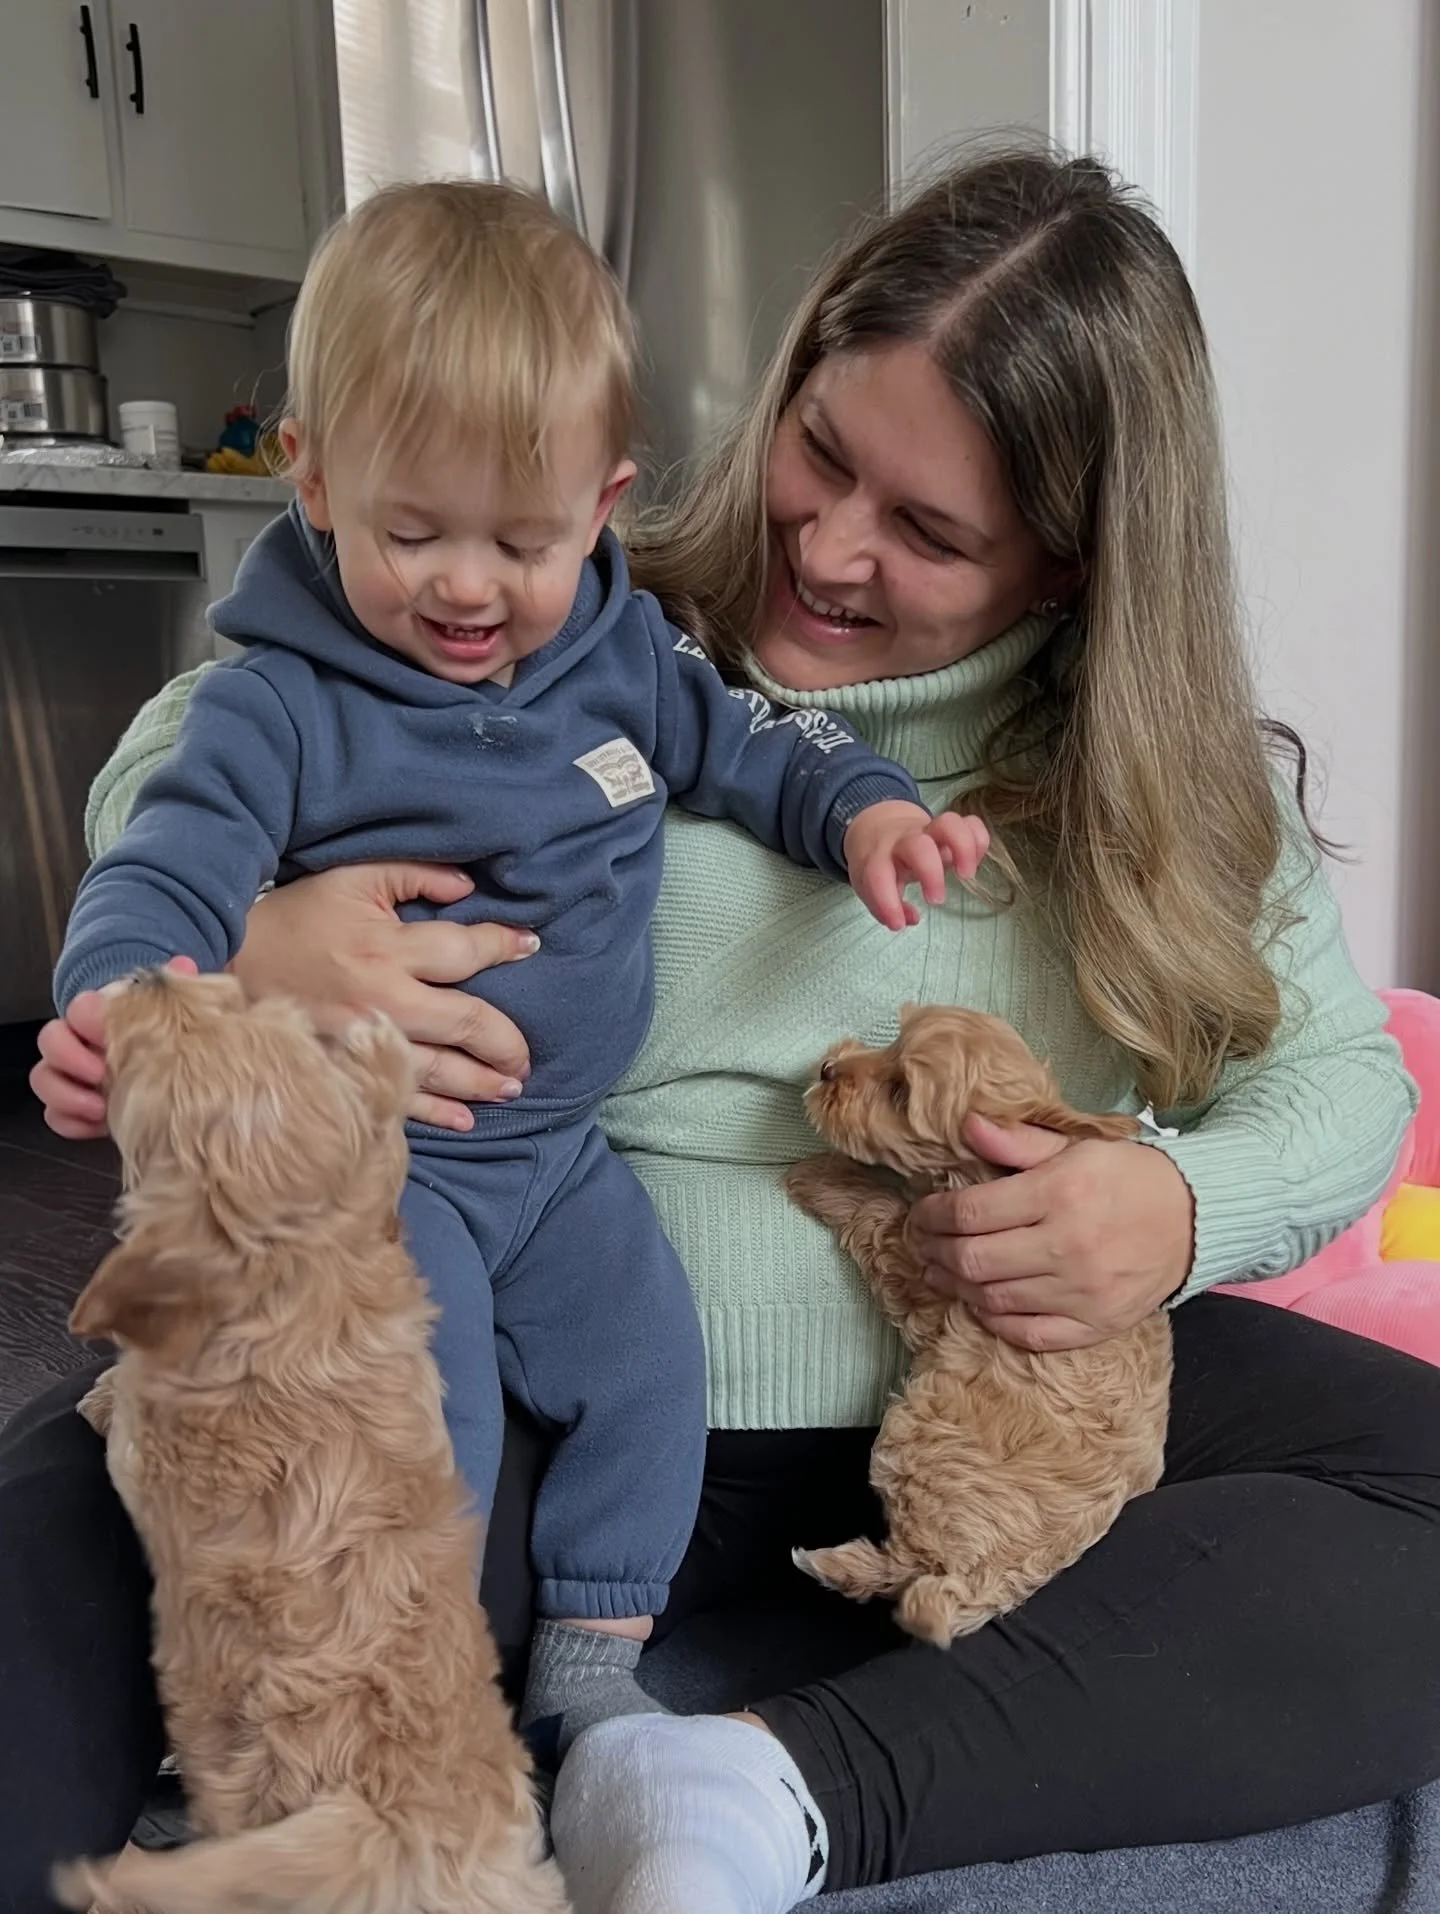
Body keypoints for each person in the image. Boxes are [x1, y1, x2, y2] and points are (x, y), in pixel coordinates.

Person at [14, 147, 1440, 1914]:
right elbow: (199, 742)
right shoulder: (582, 617)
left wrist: (1173, 1209)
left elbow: (1345, 1083)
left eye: (927, 532)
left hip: (979, 1419)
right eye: (823, 454)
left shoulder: (1176, 798)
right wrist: (250, 946)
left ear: (1068, 566)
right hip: (552, 1382)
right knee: (88, 1508)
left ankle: (764, 1792)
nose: (829, 549)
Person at [32, 178, 983, 1771]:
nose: (469, 586)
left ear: (605, 502)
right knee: (428, 1415)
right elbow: (166, 862)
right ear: (314, 480)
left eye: (524, 541)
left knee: (650, 1373)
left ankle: (594, 1666)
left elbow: (748, 742)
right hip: (379, 1159)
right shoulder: (277, 705)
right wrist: (132, 995)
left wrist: (863, 807)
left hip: (553, 1158)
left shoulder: (622, 649)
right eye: (414, 534)